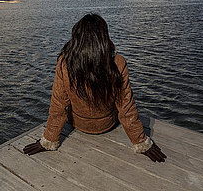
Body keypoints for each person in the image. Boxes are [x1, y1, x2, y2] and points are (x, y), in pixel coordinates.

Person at [23, 13, 166, 162]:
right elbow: (126, 107)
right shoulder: (118, 61)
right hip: (107, 124)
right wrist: (141, 142)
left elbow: (58, 105)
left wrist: (48, 140)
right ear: (103, 37)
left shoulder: (65, 62)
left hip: (78, 124)